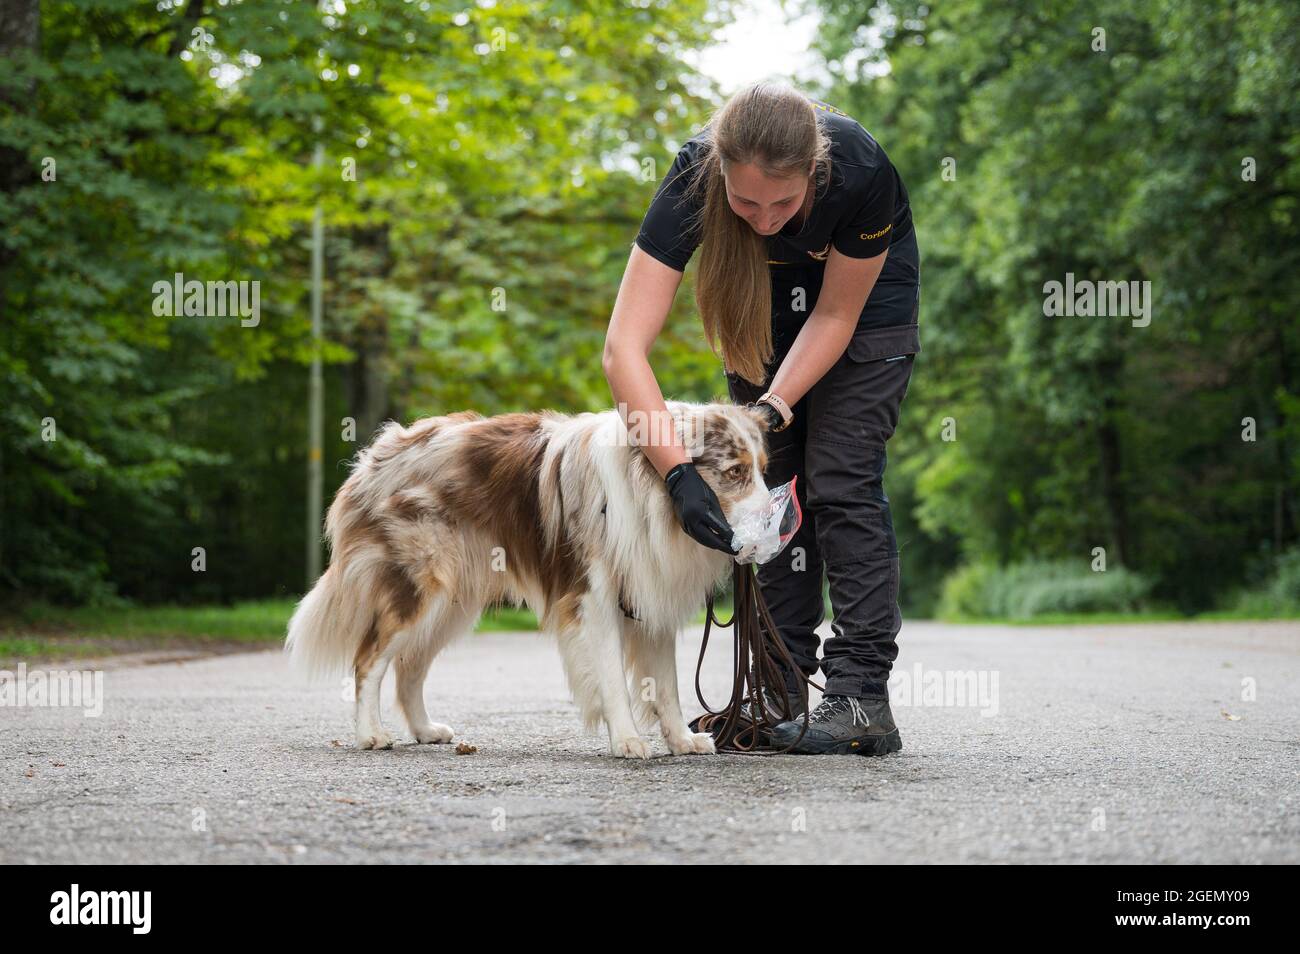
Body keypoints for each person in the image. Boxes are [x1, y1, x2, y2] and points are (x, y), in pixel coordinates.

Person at [602, 82, 920, 755]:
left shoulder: (860, 171)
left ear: (815, 173)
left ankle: (860, 698)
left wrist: (776, 404)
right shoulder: (693, 179)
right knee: (765, 488)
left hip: (862, 309)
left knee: (839, 479)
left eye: (785, 202)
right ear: (720, 173)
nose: (766, 217)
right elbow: (623, 349)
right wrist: (679, 476)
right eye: (746, 201)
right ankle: (776, 692)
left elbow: (835, 315)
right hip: (762, 302)